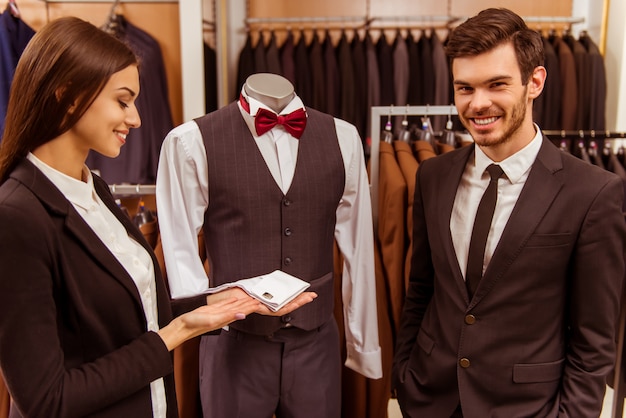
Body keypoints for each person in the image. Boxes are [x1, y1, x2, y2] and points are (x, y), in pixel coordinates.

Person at [0, 17, 315, 418]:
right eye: (122, 100)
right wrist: (174, 335)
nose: (136, 119)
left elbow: (126, 314)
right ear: (69, 96)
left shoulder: (93, 189)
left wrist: (222, 301)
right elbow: (46, 401)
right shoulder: (16, 216)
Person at [392, 8, 626, 418]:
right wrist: (406, 374)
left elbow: (594, 340)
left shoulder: (594, 193)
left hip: (527, 408)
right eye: (464, 88)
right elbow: (421, 292)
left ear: (533, 82)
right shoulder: (433, 175)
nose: (478, 104)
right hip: (430, 397)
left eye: (496, 85)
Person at [156, 72, 382, 418]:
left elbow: (359, 249)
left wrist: (363, 345)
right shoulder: (190, 142)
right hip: (234, 349)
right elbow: (179, 252)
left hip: (317, 344)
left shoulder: (343, 137)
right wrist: (207, 324)